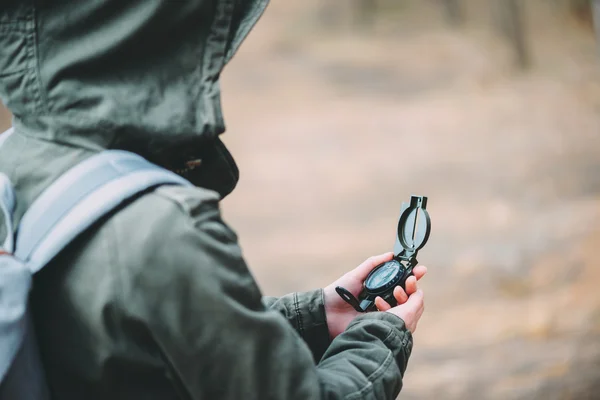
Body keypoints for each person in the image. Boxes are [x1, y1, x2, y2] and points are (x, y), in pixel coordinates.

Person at [0, 1, 427, 399]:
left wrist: (316, 315)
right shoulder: (161, 229)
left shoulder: (11, 164)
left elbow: (141, 340)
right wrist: (382, 336)